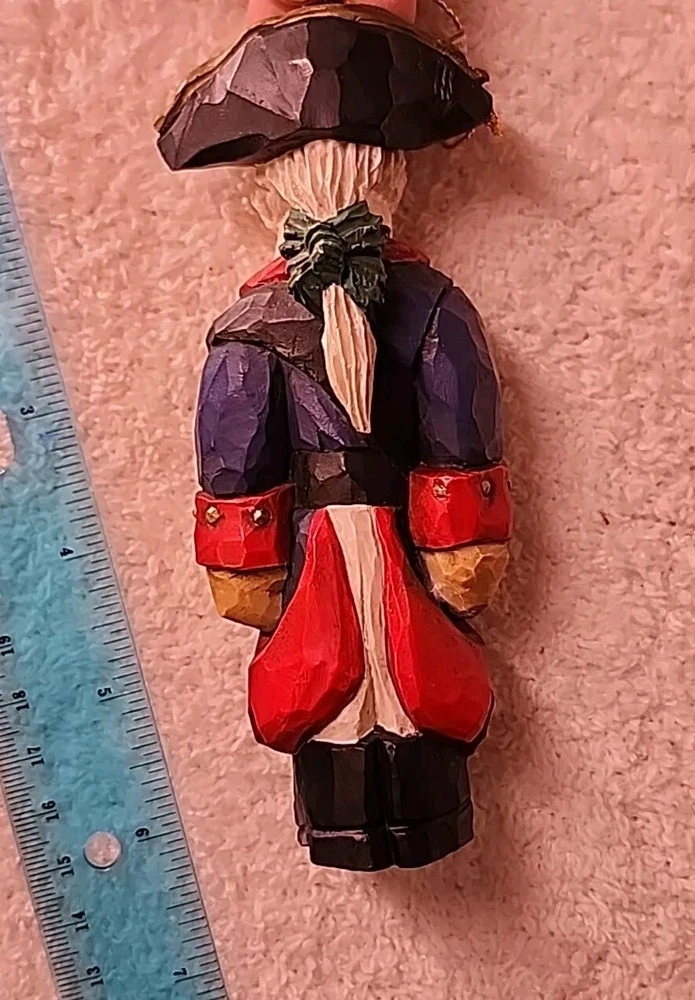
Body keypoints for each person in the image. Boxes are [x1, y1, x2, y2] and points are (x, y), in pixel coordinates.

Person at [157, 0, 512, 870]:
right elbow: (460, 439)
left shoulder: (247, 327)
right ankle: (422, 811)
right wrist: (459, 558)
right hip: (398, 551)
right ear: (391, 182)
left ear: (266, 192)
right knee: (410, 676)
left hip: (314, 556)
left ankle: (346, 813)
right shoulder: (434, 305)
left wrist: (248, 574)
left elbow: (235, 467)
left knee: (327, 685)